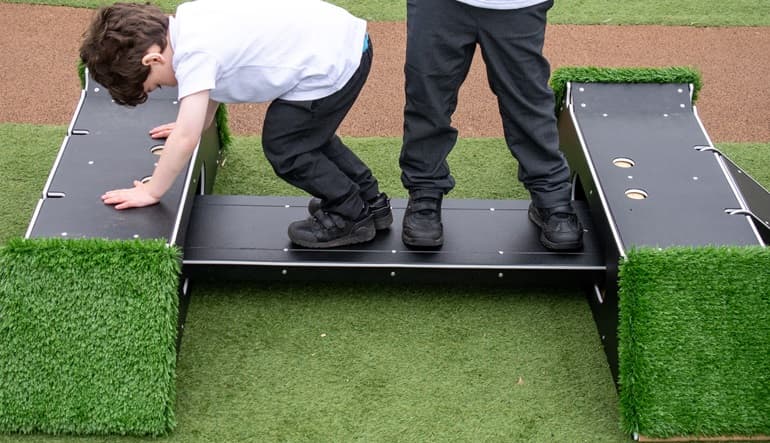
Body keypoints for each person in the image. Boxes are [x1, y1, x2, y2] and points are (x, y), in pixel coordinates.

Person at [80, 0, 392, 249]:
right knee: (310, 137)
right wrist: (188, 123)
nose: (168, 88)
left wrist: (152, 190)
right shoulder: (189, 19)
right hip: (344, 41)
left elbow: (187, 137)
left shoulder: (193, 54)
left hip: (331, 63)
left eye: (156, 86)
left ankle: (350, 215)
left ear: (152, 60)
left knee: (287, 146)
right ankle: (370, 202)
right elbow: (210, 93)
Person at [399, 0, 583, 251]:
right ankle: (424, 193)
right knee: (427, 97)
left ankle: (551, 198)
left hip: (516, 5)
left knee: (526, 100)